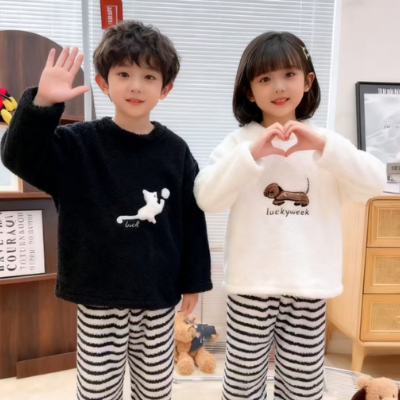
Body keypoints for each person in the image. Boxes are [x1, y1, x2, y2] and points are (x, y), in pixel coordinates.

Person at [1, 20, 212, 400]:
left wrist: (194, 279)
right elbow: (18, 156)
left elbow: (192, 219)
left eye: (149, 76)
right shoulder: (77, 144)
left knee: (155, 388)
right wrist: (43, 103)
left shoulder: (176, 151)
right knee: (97, 390)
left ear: (165, 89)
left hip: (157, 292)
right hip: (98, 292)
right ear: (103, 82)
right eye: (124, 73)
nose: (136, 85)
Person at [194, 31, 385, 400]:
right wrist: (252, 155)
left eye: (289, 75)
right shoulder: (239, 144)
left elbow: (374, 182)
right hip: (252, 285)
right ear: (250, 91)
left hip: (309, 284)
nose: (279, 87)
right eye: (265, 78)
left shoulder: (324, 143)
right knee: (243, 382)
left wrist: (324, 146)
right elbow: (207, 198)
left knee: (303, 384)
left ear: (308, 81)